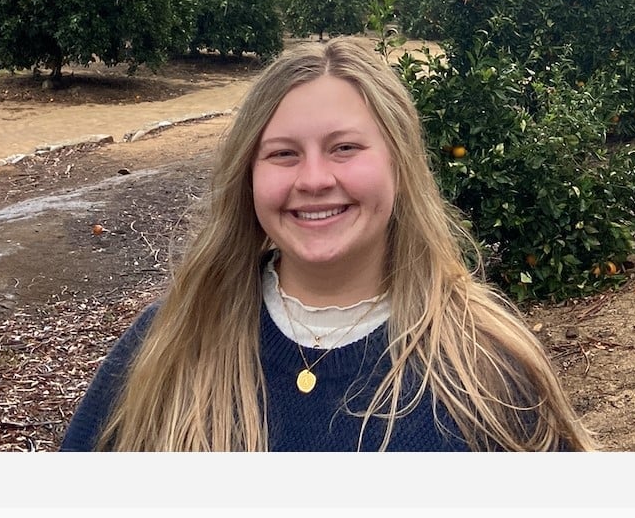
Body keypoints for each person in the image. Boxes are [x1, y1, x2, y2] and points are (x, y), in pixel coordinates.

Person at [60, 36, 595, 452]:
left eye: (344, 148)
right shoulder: (169, 341)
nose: (313, 179)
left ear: (401, 166)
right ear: (248, 177)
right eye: (283, 154)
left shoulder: (488, 367)